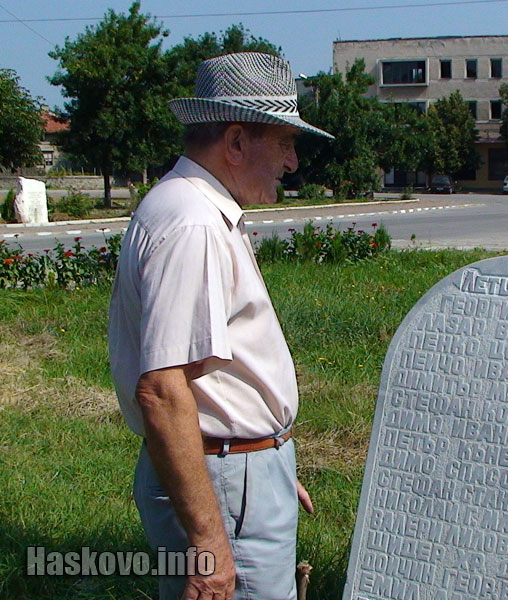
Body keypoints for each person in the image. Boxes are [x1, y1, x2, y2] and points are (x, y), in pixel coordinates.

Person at [108, 52, 333, 600]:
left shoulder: (190, 208)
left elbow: (211, 380)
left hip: (236, 471)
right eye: (283, 142)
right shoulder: (194, 223)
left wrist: (268, 460)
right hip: (225, 476)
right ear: (235, 142)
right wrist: (212, 540)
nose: (293, 162)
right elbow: (163, 392)